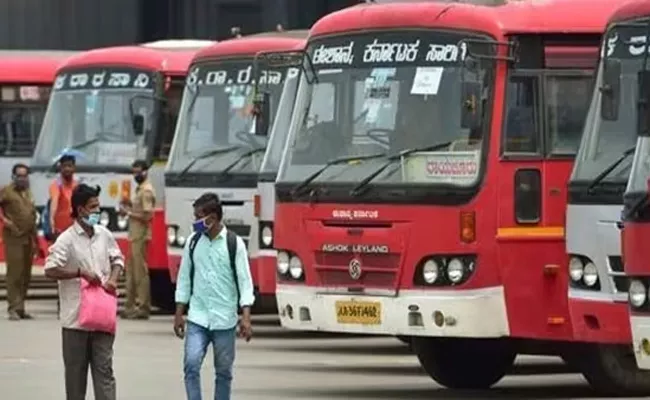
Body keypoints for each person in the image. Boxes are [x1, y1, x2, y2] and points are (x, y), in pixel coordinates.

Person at [44, 183, 124, 400]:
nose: (98, 212)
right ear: (80, 210)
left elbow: (118, 259)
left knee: (105, 371)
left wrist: (114, 279)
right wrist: (80, 272)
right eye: (94, 207)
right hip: (75, 321)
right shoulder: (66, 239)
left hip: (103, 318)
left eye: (98, 207)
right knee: (75, 376)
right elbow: (50, 269)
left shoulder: (104, 234)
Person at [174, 192, 255, 400]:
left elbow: (245, 283)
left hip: (224, 320)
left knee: (224, 372)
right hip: (197, 318)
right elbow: (184, 278)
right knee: (191, 364)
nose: (195, 222)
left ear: (212, 218)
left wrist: (245, 317)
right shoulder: (192, 242)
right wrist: (179, 313)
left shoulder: (234, 244)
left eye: (198, 217)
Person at [0, 163, 43, 320]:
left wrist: (37, 242)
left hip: (28, 238)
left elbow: (31, 216)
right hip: (13, 238)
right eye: (20, 175)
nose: (23, 178)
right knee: (15, 274)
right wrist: (5, 220)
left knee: (26, 274)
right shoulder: (6, 191)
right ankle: (13, 308)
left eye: (25, 176)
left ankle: (20, 307)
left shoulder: (28, 193)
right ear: (13, 177)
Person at [119, 159, 155, 319]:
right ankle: (130, 306)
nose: (135, 175)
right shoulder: (139, 189)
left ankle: (143, 307)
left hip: (140, 236)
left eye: (138, 171)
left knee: (140, 273)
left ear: (146, 171)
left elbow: (148, 215)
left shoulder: (146, 190)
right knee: (131, 273)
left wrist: (128, 213)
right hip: (134, 236)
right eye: (133, 172)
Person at [49, 154, 78, 240]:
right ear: (60, 168)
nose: (67, 169)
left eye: (69, 166)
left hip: (75, 230)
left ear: (74, 168)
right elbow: (54, 201)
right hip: (60, 231)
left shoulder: (77, 185)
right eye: (64, 166)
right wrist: (51, 219)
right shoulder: (56, 185)